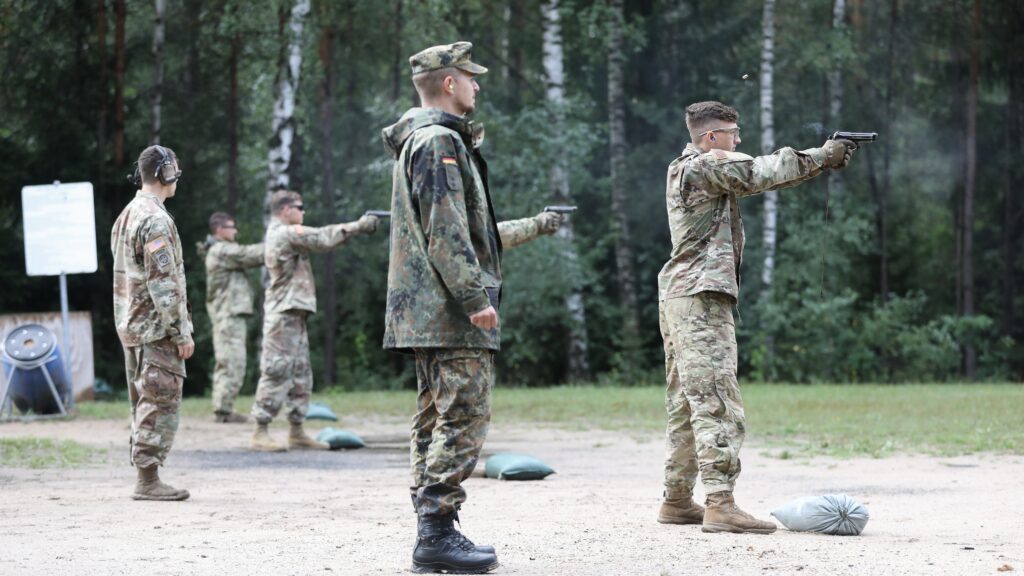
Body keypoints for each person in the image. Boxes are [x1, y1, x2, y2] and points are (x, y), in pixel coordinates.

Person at [381, 41, 563, 574]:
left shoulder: (424, 140)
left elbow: (472, 231)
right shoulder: (438, 141)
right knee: (463, 416)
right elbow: (446, 230)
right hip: (448, 311)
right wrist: (474, 297)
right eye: (469, 76)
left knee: (433, 418)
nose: (476, 85)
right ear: (447, 83)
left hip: (427, 312)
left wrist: (536, 225)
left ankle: (432, 528)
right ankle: (436, 531)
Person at [656, 101, 856, 533]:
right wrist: (822, 156)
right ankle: (720, 503)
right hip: (700, 295)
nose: (738, 139)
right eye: (732, 132)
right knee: (716, 399)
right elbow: (759, 172)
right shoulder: (704, 166)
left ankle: (676, 499)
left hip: (682, 296)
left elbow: (751, 169)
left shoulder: (690, 167)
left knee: (686, 401)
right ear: (711, 138)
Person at [249, 190, 379, 451]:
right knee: (276, 370)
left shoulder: (285, 232)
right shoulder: (283, 232)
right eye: (300, 206)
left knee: (300, 374)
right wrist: (359, 226)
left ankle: (296, 431)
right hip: (283, 315)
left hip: (294, 314)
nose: (303, 211)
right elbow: (321, 238)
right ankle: (260, 431)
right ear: (285, 210)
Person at [111, 144, 193, 501]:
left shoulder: (128, 213)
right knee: (159, 400)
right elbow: (164, 284)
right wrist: (180, 330)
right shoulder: (156, 219)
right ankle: (147, 480)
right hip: (155, 328)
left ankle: (147, 476)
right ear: (165, 173)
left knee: (144, 400)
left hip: (132, 325)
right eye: (174, 170)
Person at [197, 212, 264, 423]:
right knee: (231, 362)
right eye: (231, 227)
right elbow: (249, 254)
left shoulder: (219, 250)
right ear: (219, 230)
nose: (235, 231)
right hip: (228, 315)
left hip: (229, 314)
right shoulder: (221, 250)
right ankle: (223, 411)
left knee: (232, 362)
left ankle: (223, 409)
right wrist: (279, 241)